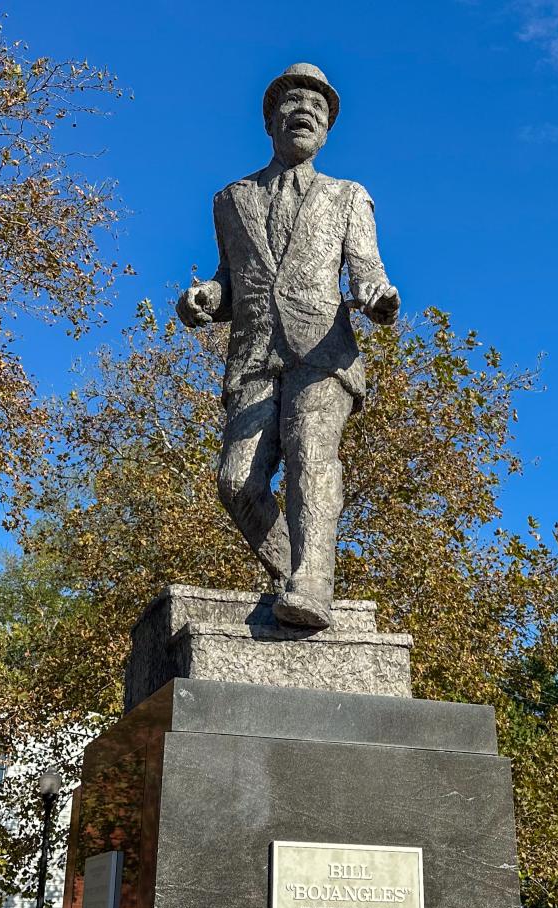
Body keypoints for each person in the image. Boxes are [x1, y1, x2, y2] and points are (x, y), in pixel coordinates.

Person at [177, 63, 399, 630]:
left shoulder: (347, 196)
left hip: (322, 348)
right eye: (293, 104)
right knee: (236, 482)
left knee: (309, 450)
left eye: (318, 109)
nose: (305, 112)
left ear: (326, 132)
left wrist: (376, 297)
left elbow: (366, 269)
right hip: (253, 355)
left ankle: (312, 579)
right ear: (270, 121)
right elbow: (231, 279)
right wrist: (204, 297)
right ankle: (296, 568)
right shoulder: (232, 199)